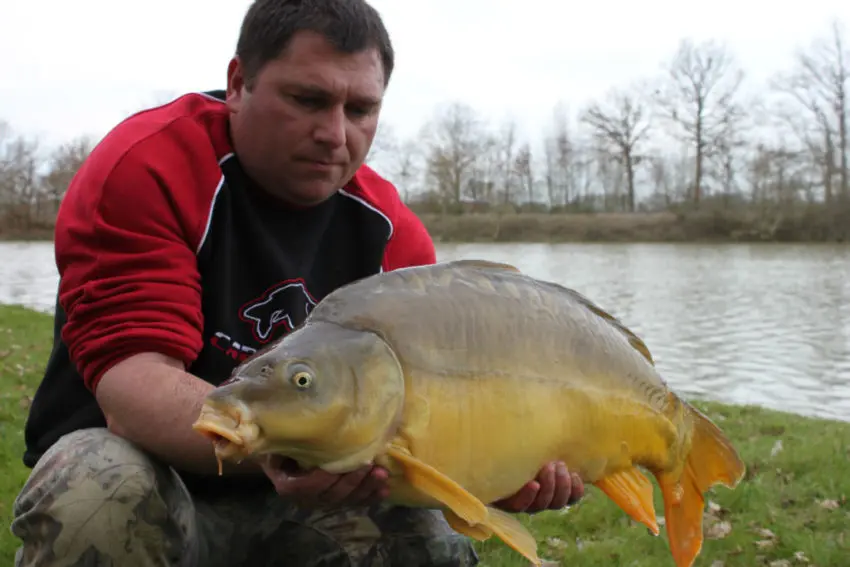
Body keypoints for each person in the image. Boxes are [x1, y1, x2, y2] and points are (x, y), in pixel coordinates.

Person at [10, 0, 585, 565]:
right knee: (99, 488)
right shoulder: (152, 167)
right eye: (308, 100)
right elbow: (134, 389)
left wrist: (500, 470)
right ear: (238, 83)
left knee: (423, 537)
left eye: (360, 109)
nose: (335, 134)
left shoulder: (392, 234)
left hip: (309, 500)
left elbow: (426, 425)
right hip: (154, 478)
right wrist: (278, 451)